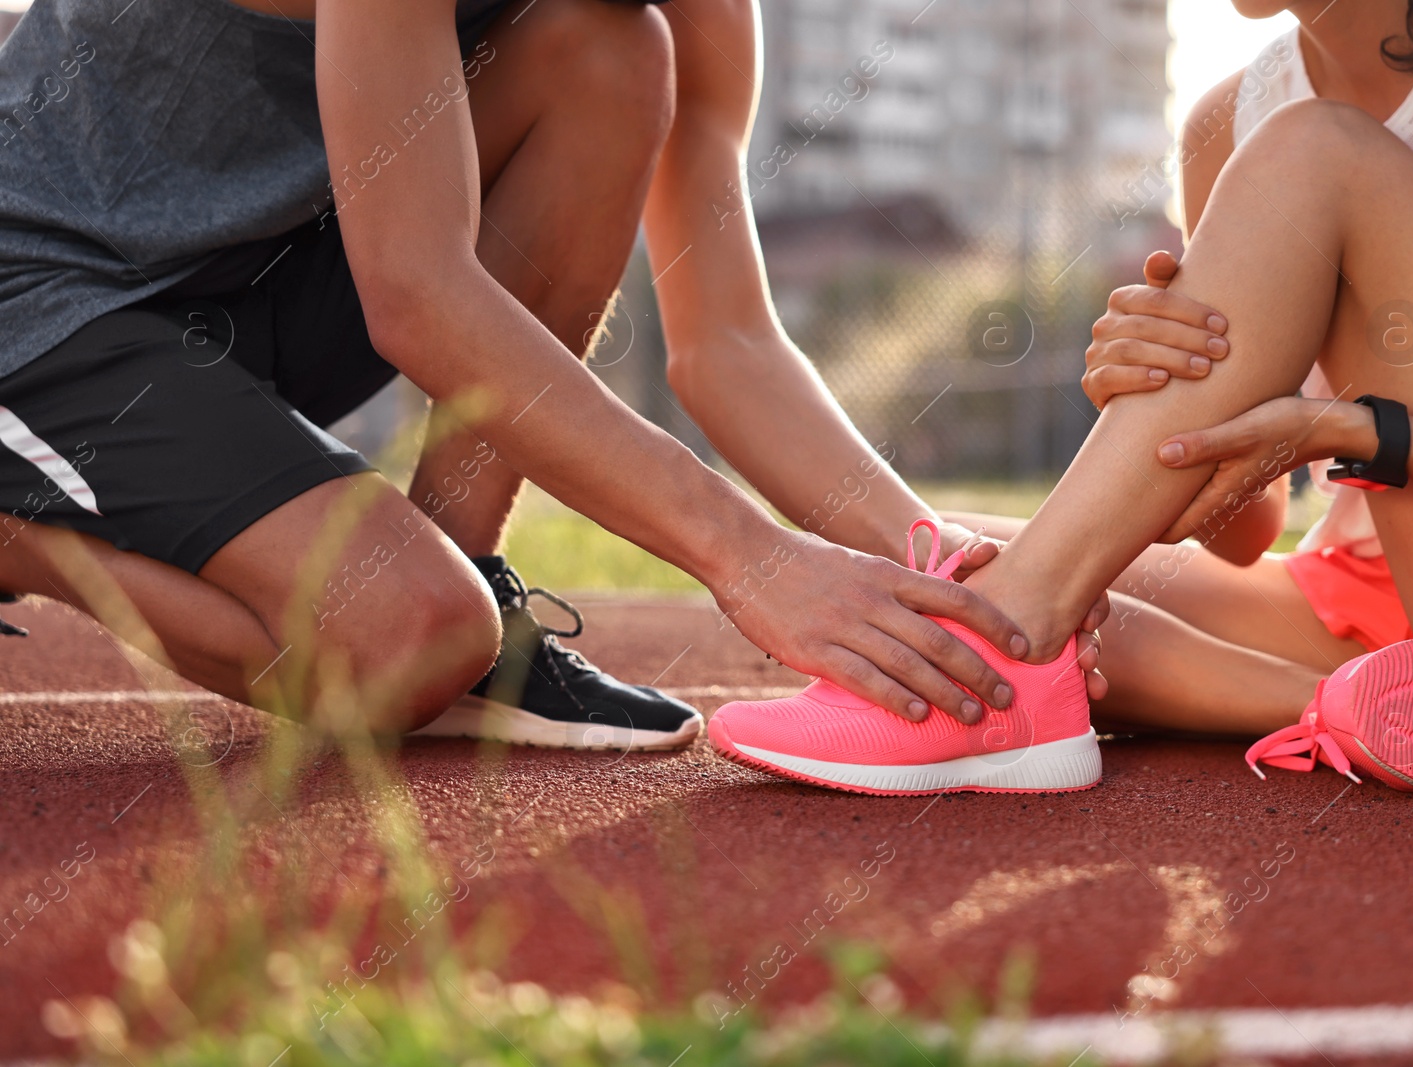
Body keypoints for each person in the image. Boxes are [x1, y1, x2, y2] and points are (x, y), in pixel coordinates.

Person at [0, 0, 1087, 749]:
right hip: (41, 299)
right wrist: (748, 556)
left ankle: (470, 575)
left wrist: (940, 570)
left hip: (248, 292)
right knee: (403, 637)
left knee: (609, 55)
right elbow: (419, 295)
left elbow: (731, 347)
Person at [711, 0, 1413, 796]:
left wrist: (1363, 435)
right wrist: (1149, 392)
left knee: (1320, 151)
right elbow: (1242, 536)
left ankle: (1015, 649)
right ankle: (1378, 710)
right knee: (935, 562)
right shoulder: (1229, 121)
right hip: (1374, 604)